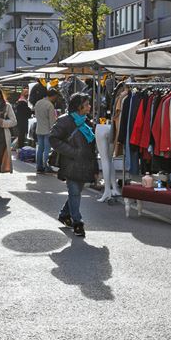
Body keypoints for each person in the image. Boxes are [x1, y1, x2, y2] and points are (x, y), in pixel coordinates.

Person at [50, 92, 98, 238]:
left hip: (85, 164)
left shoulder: (87, 122)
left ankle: (64, 214)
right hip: (70, 163)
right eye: (87, 104)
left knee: (75, 193)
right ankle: (78, 223)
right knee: (74, 193)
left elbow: (92, 148)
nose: (89, 106)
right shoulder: (64, 121)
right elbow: (53, 139)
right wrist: (72, 152)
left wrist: (95, 169)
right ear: (79, 106)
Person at [34, 88, 59, 173]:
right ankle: (45, 166)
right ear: (54, 96)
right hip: (47, 130)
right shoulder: (49, 105)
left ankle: (39, 167)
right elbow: (52, 121)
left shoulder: (38, 103)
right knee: (47, 149)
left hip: (39, 129)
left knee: (40, 149)